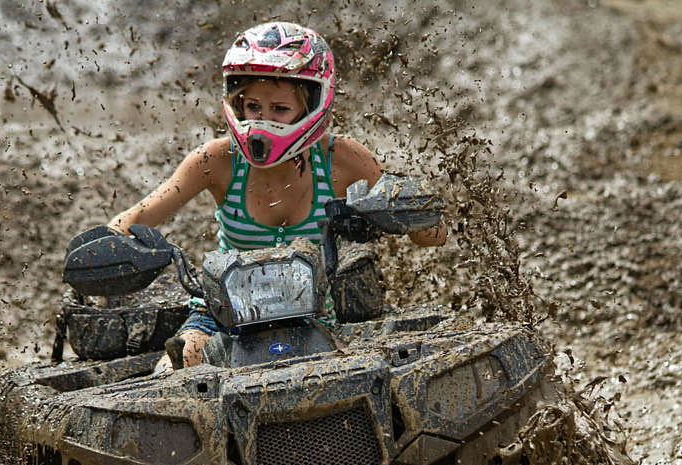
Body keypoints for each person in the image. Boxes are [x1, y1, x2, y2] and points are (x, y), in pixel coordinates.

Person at [107, 21, 447, 369]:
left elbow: (432, 236)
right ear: (237, 104)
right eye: (253, 106)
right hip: (221, 318)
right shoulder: (215, 161)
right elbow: (133, 218)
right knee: (182, 362)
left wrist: (410, 212)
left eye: (280, 110)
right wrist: (104, 255)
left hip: (316, 318)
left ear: (312, 104)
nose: (262, 122)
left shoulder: (344, 159)